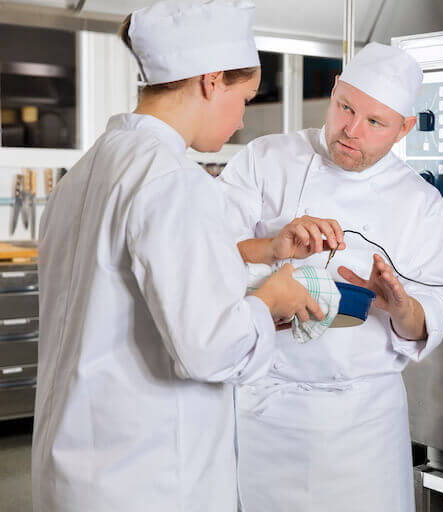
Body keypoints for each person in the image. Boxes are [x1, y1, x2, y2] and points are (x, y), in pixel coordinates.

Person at [31, 2, 335, 511]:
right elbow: (212, 348)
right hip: (148, 477)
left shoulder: (88, 171)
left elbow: (135, 284)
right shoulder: (174, 179)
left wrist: (263, 250)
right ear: (212, 81)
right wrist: (271, 298)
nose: (241, 119)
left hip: (74, 469)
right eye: (245, 97)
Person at [219, 42, 443, 511]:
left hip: (363, 426)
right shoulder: (264, 161)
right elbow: (202, 258)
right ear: (333, 91)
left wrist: (401, 306)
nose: (351, 130)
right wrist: (270, 250)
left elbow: (432, 316)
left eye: (375, 122)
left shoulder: (421, 204)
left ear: (405, 129)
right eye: (345, 107)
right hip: (266, 412)